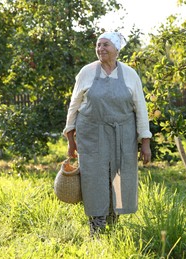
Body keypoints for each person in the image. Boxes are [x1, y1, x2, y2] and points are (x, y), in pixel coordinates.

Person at [63, 31, 152, 236]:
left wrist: (144, 141)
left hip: (123, 134)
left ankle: (114, 222)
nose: (101, 49)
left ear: (117, 49)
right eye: (98, 45)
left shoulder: (130, 74)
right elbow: (73, 105)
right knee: (94, 177)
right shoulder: (86, 72)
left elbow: (141, 108)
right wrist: (70, 138)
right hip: (91, 134)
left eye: (105, 45)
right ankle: (97, 226)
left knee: (119, 177)